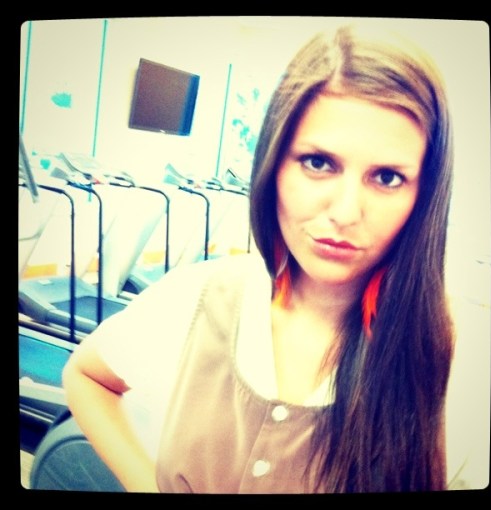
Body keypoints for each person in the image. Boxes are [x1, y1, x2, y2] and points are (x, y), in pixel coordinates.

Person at [62, 21, 458, 493]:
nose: (346, 212)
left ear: (424, 194)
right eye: (318, 163)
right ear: (273, 165)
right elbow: (86, 376)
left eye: (387, 177)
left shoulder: (440, 347)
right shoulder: (199, 297)